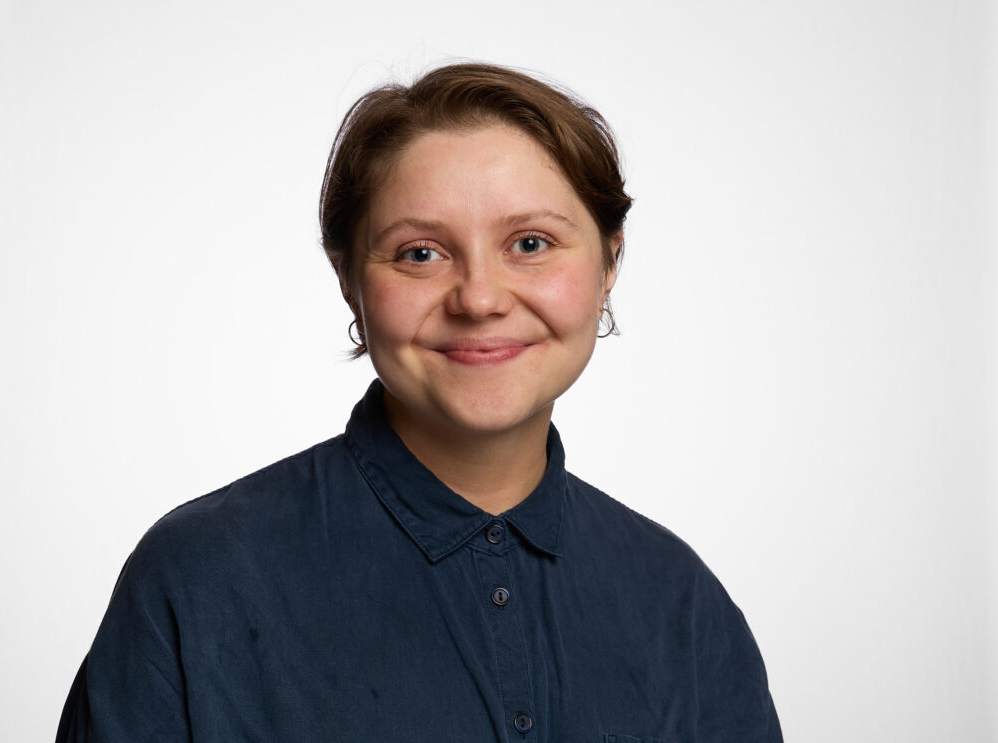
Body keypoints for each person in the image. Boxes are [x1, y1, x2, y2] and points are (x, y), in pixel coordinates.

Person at [57, 62, 782, 742]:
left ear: (609, 262)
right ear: (349, 279)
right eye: (420, 253)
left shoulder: (685, 606)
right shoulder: (197, 579)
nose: (479, 298)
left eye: (531, 243)